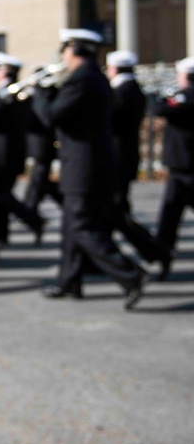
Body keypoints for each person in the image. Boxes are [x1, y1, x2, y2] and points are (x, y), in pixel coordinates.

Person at [33, 29, 145, 309]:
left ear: (74, 50)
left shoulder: (82, 79)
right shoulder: (94, 77)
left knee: (82, 226)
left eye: (65, 50)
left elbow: (52, 116)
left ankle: (131, 274)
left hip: (83, 166)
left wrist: (40, 93)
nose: (62, 57)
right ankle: (69, 281)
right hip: (89, 163)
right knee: (72, 225)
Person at [106, 50, 167, 275]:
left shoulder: (123, 91)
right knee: (116, 211)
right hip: (124, 157)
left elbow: (110, 121)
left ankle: (155, 251)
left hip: (118, 158)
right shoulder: (130, 89)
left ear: (115, 69)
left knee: (116, 211)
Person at [0, 52, 45, 246]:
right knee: (1, 196)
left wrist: (2, 100)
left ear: (6, 72)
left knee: (2, 195)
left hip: (3, 153)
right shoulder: (19, 95)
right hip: (10, 152)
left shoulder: (10, 95)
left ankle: (33, 220)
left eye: (0, 69)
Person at [153, 56, 194, 281]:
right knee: (169, 218)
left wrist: (164, 96)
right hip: (183, 167)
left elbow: (160, 109)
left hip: (183, 167)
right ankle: (162, 258)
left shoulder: (185, 97)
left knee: (169, 220)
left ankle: (163, 259)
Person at [21, 67, 62, 216]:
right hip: (37, 144)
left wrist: (37, 92)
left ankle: (29, 209)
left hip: (44, 145)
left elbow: (45, 117)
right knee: (39, 179)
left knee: (39, 179)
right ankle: (29, 208)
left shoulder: (49, 93)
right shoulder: (38, 94)